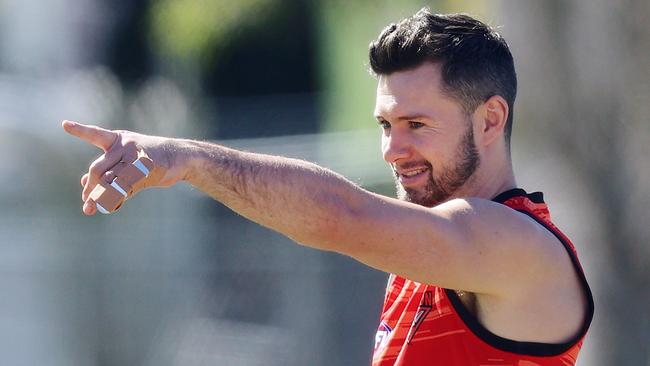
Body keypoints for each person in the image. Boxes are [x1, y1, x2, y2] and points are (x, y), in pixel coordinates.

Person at [63, 9, 593, 366]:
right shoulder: (431, 248)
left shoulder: (514, 243)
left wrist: (191, 159)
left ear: (490, 120)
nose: (392, 150)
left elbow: (341, 215)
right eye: (387, 126)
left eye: (417, 125)